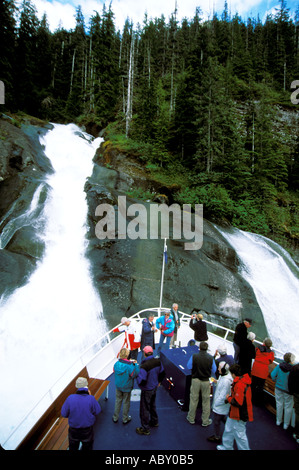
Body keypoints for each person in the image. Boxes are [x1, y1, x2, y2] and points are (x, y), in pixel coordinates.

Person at [217, 364, 253, 451]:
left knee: (240, 434)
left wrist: (228, 398)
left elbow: (237, 402)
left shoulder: (240, 384)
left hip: (240, 414)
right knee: (228, 429)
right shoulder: (241, 381)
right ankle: (227, 447)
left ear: (233, 374)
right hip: (234, 413)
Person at [61, 377, 101, 451]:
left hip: (73, 430)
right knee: (88, 447)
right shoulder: (91, 398)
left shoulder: (70, 398)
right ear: (87, 386)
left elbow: (64, 414)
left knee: (73, 448)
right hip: (87, 431)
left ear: (76, 386)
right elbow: (97, 411)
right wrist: (90, 396)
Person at [136, 346, 166, 435]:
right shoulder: (158, 361)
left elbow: (142, 380)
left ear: (144, 354)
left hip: (147, 389)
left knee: (144, 408)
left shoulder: (144, 366)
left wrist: (141, 385)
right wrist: (159, 381)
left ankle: (145, 429)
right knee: (152, 405)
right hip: (154, 387)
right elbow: (162, 373)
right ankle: (154, 421)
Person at [186, 341, 216, 426]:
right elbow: (214, 370)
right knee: (206, 401)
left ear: (199, 348)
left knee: (193, 399)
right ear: (207, 348)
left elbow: (189, 366)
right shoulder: (211, 358)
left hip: (195, 380)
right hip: (206, 381)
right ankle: (205, 421)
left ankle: (191, 418)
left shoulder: (194, 356)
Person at [207, 361, 234, 444]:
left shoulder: (226, 381)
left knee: (216, 421)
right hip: (222, 406)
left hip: (220, 406)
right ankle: (232, 431)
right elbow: (221, 384)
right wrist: (216, 381)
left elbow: (222, 396)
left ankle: (217, 437)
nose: (218, 369)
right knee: (222, 418)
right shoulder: (225, 376)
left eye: (219, 368)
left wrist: (215, 405)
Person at [112, 348, 140, 424]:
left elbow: (114, 371)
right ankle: (125, 418)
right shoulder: (130, 366)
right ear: (127, 355)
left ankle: (115, 417)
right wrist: (136, 365)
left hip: (118, 386)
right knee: (126, 402)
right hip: (127, 387)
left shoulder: (116, 364)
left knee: (118, 401)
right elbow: (134, 374)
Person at [271, 352, 296, 430]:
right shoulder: (293, 369)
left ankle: (278, 421)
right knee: (288, 407)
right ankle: (286, 425)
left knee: (279, 404)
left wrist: (276, 380)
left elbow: (272, 375)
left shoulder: (279, 366)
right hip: (288, 391)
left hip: (278, 388)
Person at [251, 338, 275, 406]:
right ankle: (257, 402)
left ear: (264, 343)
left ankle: (250, 398)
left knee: (253, 385)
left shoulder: (258, 349)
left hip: (255, 369)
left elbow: (255, 354)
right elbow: (271, 361)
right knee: (260, 387)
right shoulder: (271, 353)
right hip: (263, 372)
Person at [288, 362, 299, 444]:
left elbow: (290, 381)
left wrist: (291, 391)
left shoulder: (295, 368)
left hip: (297, 393)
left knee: (298, 414)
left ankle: (297, 433)